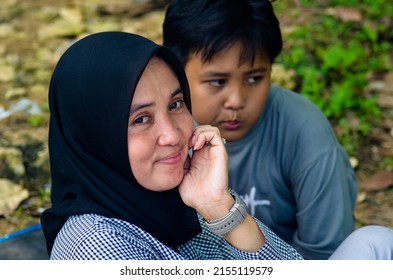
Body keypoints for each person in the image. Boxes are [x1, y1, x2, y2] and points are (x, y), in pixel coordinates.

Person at [40, 31, 303, 260]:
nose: (172, 136)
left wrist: (220, 208)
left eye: (175, 104)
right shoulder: (97, 247)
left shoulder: (185, 196)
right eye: (141, 119)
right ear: (94, 138)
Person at [162, 0, 358, 259]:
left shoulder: (304, 132)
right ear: (176, 71)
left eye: (254, 78)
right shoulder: (163, 136)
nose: (236, 100)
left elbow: (324, 253)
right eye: (217, 81)